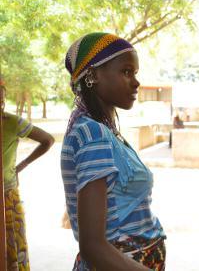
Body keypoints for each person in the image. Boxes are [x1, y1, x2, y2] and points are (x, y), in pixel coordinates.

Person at [61, 32, 166, 270]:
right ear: (94, 75)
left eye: (135, 73)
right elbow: (93, 246)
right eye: (126, 71)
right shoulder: (92, 134)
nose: (136, 82)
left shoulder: (103, 131)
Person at [1, 82, 54, 270]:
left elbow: (48, 140)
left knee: (14, 246)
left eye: (2, 102)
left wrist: (22, 165)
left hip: (8, 196)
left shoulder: (12, 122)